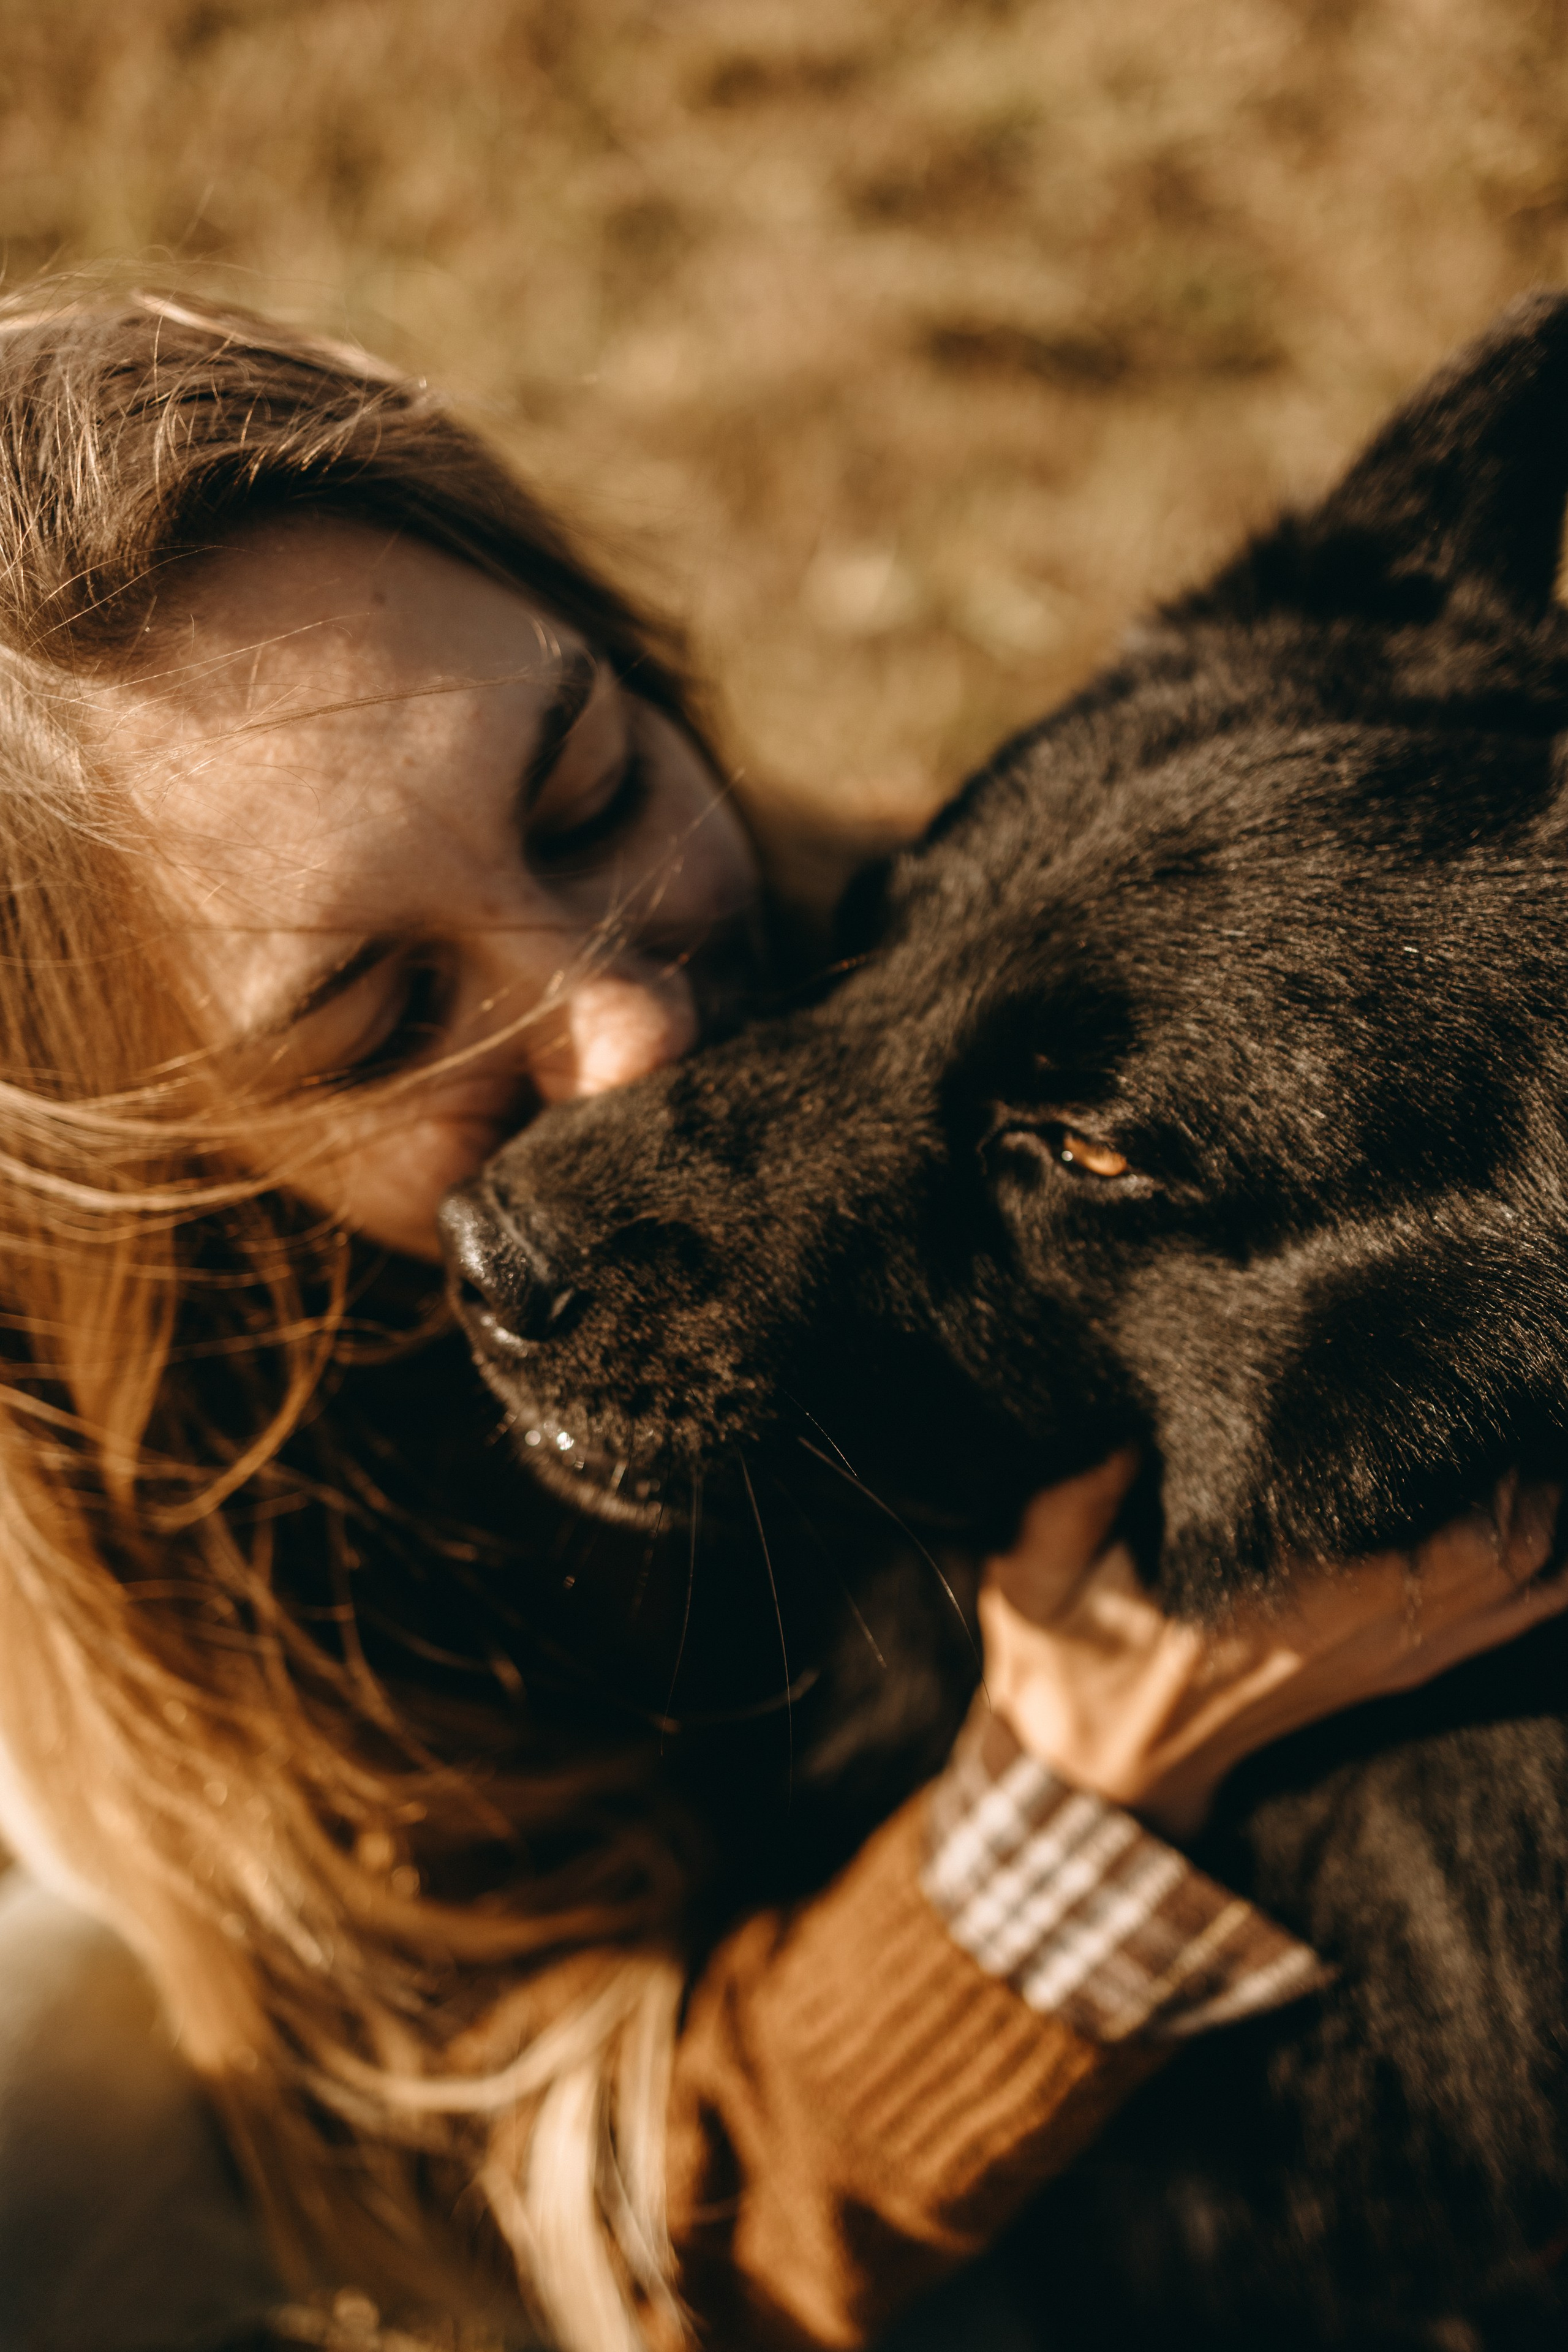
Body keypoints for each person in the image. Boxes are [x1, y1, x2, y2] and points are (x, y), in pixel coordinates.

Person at [0, 284, 1561, 2352]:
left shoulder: (978, 894)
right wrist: (1073, 1788)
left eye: (587, 799)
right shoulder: (162, 1599)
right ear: (153, 1141)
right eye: (386, 1015)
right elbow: (586, 2246)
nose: (642, 1039)